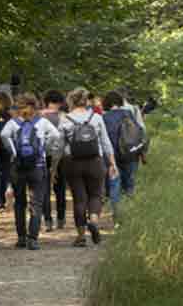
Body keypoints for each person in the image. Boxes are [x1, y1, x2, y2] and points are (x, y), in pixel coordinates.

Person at [0, 94, 61, 249]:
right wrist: (45, 150)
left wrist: (13, 151)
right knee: (37, 203)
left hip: (18, 167)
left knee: (19, 203)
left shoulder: (13, 123)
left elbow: (3, 135)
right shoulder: (42, 122)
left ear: (19, 107)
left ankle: (21, 238)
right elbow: (56, 135)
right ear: (36, 106)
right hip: (37, 166)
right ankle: (32, 239)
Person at [59, 87, 113, 247]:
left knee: (79, 199)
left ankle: (81, 236)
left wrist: (55, 165)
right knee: (96, 195)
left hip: (73, 162)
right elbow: (105, 142)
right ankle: (94, 221)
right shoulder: (96, 118)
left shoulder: (65, 119)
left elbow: (59, 146)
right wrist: (112, 163)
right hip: (95, 161)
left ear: (71, 101)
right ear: (87, 101)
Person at [101, 88, 146, 209]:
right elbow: (139, 132)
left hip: (113, 156)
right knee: (129, 183)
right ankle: (130, 209)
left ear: (106, 103)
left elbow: (103, 140)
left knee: (114, 184)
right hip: (130, 153)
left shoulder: (104, 118)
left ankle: (116, 212)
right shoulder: (129, 113)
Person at [40, 89, 68, 232]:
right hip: (61, 156)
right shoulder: (65, 117)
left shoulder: (39, 117)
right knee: (60, 187)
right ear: (61, 102)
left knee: (44, 188)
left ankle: (48, 220)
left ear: (46, 101)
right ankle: (61, 219)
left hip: (43, 156)